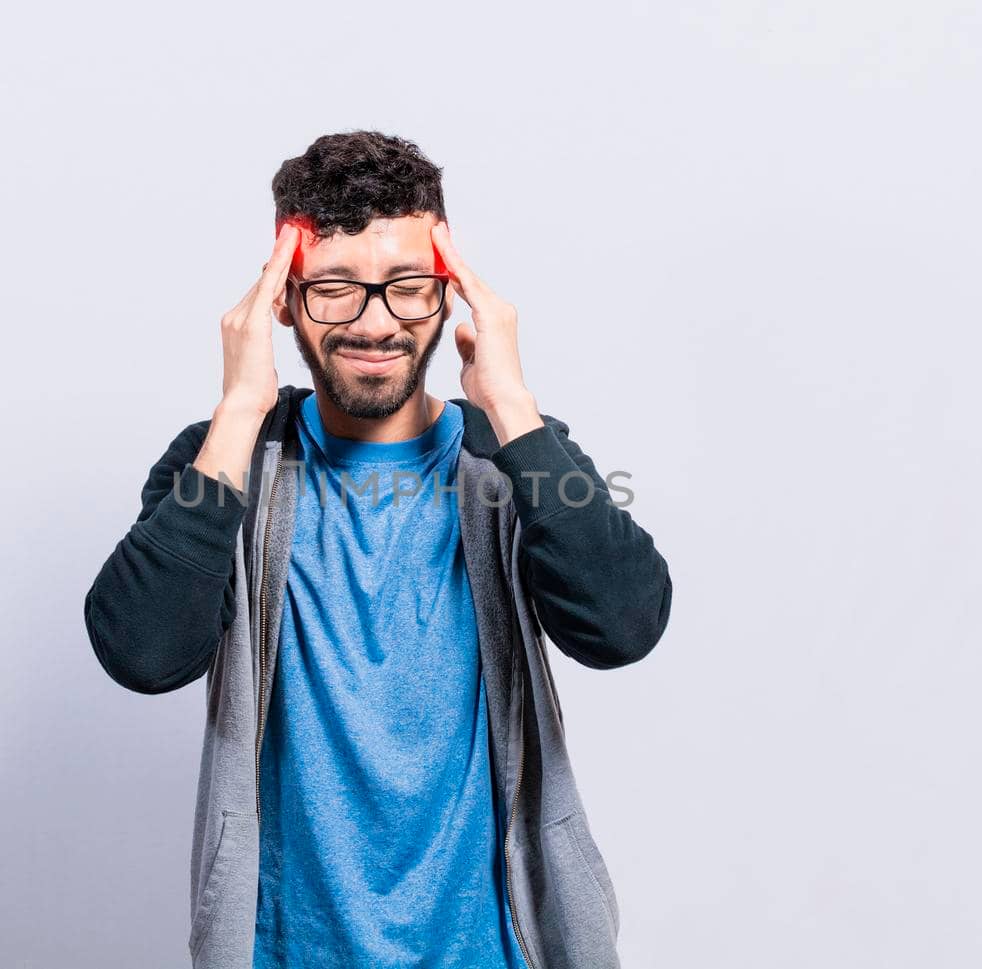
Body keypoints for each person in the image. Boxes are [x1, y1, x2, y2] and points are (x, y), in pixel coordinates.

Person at [84, 130, 673, 969]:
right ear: (281, 300)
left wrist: (509, 404)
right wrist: (241, 407)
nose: (374, 321)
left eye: (407, 288)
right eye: (334, 289)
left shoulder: (512, 457)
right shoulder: (223, 459)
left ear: (447, 297)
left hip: (497, 949)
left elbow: (624, 627)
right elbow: (142, 652)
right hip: (286, 950)